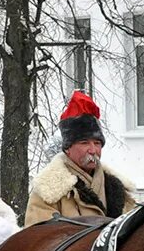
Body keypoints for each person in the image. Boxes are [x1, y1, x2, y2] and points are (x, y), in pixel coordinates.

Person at [25, 90, 137, 226]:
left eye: (97, 143)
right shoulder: (48, 191)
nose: (92, 150)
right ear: (68, 148)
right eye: (84, 143)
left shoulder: (118, 189)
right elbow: (40, 240)